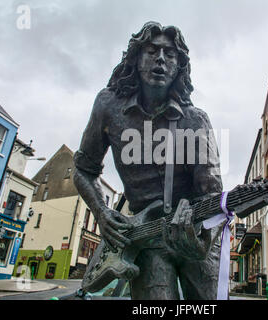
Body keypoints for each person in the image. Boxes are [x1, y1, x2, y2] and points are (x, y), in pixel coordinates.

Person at [73, 21, 223, 300]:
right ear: (136, 58)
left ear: (179, 66)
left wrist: (202, 239)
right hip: (145, 235)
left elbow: (213, 196)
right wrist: (102, 214)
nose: (161, 60)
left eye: (170, 54)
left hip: (196, 236)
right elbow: (83, 169)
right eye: (152, 51)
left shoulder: (195, 120)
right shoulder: (108, 106)